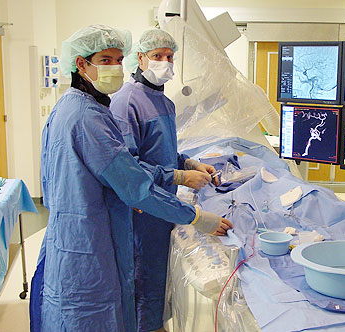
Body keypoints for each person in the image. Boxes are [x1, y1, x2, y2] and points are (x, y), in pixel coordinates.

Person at [29, 25, 232, 332]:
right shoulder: (90, 118)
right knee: (95, 313)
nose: (115, 68)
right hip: (91, 241)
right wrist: (197, 217)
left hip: (70, 235)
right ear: (81, 64)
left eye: (117, 60)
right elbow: (135, 186)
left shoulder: (69, 107)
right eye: (105, 60)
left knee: (66, 310)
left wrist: (185, 162)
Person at [110, 29, 220, 332]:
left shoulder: (164, 102)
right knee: (144, 280)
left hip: (162, 206)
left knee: (158, 278)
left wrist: (188, 161)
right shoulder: (126, 102)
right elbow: (129, 168)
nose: (165, 62)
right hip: (143, 209)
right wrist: (180, 176)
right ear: (141, 58)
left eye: (169, 57)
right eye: (157, 56)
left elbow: (162, 148)